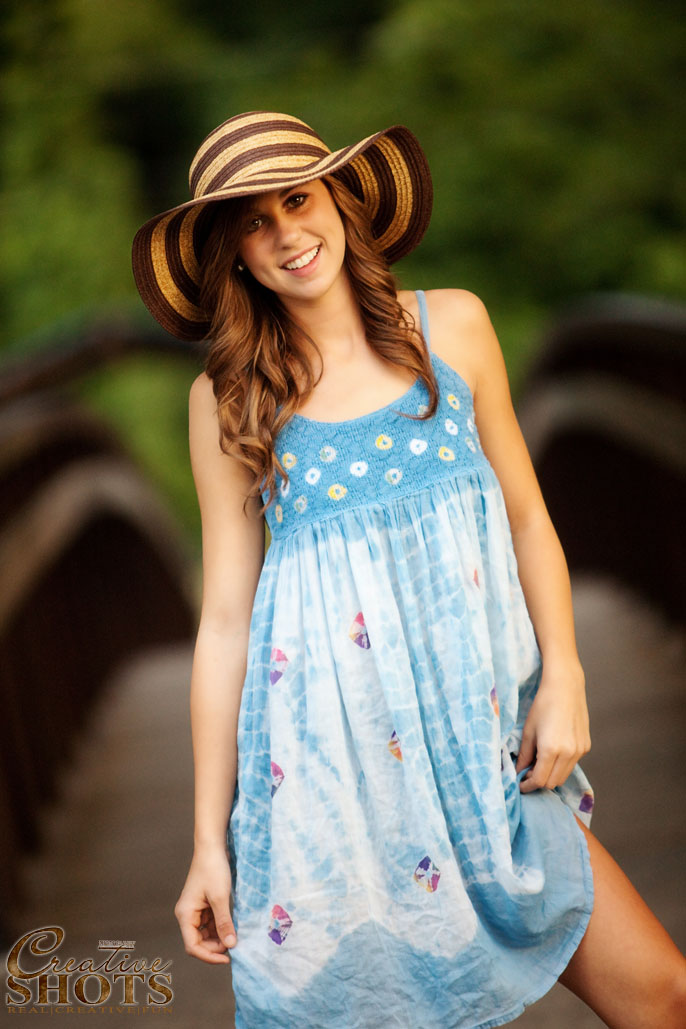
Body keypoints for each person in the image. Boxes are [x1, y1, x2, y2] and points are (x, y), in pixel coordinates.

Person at [131, 111, 686, 1028]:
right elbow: (224, 624)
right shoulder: (227, 400)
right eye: (255, 224)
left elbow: (528, 517)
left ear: (340, 200)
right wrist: (207, 843)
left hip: (483, 745)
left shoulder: (454, 326)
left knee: (663, 992)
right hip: (331, 787)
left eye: (298, 200)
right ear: (235, 257)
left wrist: (566, 674)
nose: (287, 234)